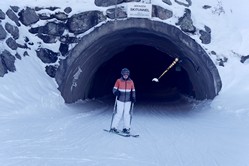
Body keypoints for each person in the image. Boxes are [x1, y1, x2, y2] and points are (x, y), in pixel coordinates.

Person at [110, 68, 136, 134]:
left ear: (128, 75)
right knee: (119, 113)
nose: (125, 75)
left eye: (127, 74)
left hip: (128, 101)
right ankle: (114, 127)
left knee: (126, 114)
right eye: (124, 74)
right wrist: (116, 92)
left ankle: (126, 128)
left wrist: (133, 97)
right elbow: (114, 89)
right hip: (120, 100)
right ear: (122, 74)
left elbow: (133, 90)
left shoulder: (131, 81)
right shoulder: (118, 81)